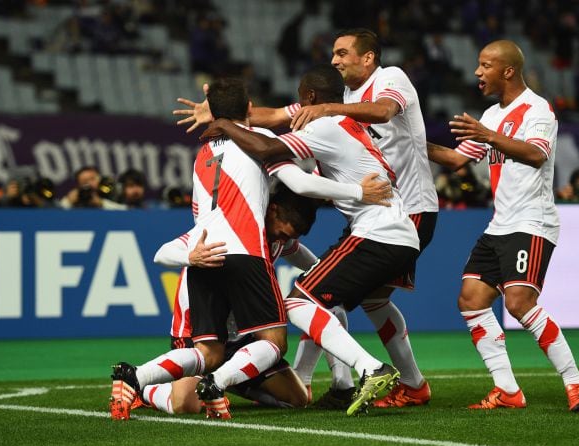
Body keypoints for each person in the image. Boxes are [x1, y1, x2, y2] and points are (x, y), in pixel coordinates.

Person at [174, 28, 436, 409]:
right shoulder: (343, 115)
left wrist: (226, 125)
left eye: (342, 52)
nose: (335, 58)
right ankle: (367, 384)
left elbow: (267, 146)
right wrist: (224, 112)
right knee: (353, 303)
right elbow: (276, 118)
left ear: (310, 99)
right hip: (393, 227)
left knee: (299, 301)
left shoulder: (332, 119)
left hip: (382, 228)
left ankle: (368, 368)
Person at [111, 78, 397, 420]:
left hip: (207, 252)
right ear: (250, 110)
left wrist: (191, 256)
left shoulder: (201, 154)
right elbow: (300, 180)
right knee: (273, 341)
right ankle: (206, 384)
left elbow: (188, 228)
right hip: (244, 249)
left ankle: (136, 376)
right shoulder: (259, 144)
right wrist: (356, 192)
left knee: (211, 352)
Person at [426, 39, 579, 412]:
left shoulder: (538, 110)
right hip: (500, 223)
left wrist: (489, 137)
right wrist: (407, 143)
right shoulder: (490, 116)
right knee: (471, 300)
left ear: (507, 71)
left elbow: (537, 155)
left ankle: (577, 384)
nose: (477, 72)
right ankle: (507, 390)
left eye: (485, 65)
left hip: (532, 222)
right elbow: (456, 160)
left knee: (520, 303)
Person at [126, 186, 333, 417]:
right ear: (272, 211)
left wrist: (325, 275)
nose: (283, 240)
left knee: (297, 399)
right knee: (185, 406)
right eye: (284, 234)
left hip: (240, 336)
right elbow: (162, 253)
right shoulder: (228, 228)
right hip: (200, 332)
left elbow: (298, 253)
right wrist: (191, 257)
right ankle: (146, 389)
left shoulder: (277, 239)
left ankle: (223, 380)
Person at [59, 165, 126, 210]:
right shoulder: (76, 197)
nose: (89, 184)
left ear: (99, 179)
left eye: (92, 179)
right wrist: (68, 202)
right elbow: (55, 214)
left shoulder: (111, 192)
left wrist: (102, 203)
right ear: (78, 185)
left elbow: (127, 211)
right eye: (84, 181)